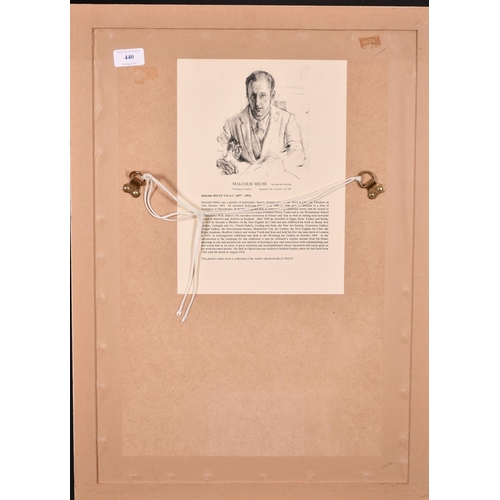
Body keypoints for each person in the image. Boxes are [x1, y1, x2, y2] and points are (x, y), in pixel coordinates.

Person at [216, 70, 305, 179]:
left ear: (272, 95)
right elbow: (217, 148)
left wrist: (273, 164)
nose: (257, 103)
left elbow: (298, 153)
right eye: (253, 96)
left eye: (263, 95)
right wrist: (221, 161)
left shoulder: (287, 120)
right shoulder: (233, 122)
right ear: (247, 95)